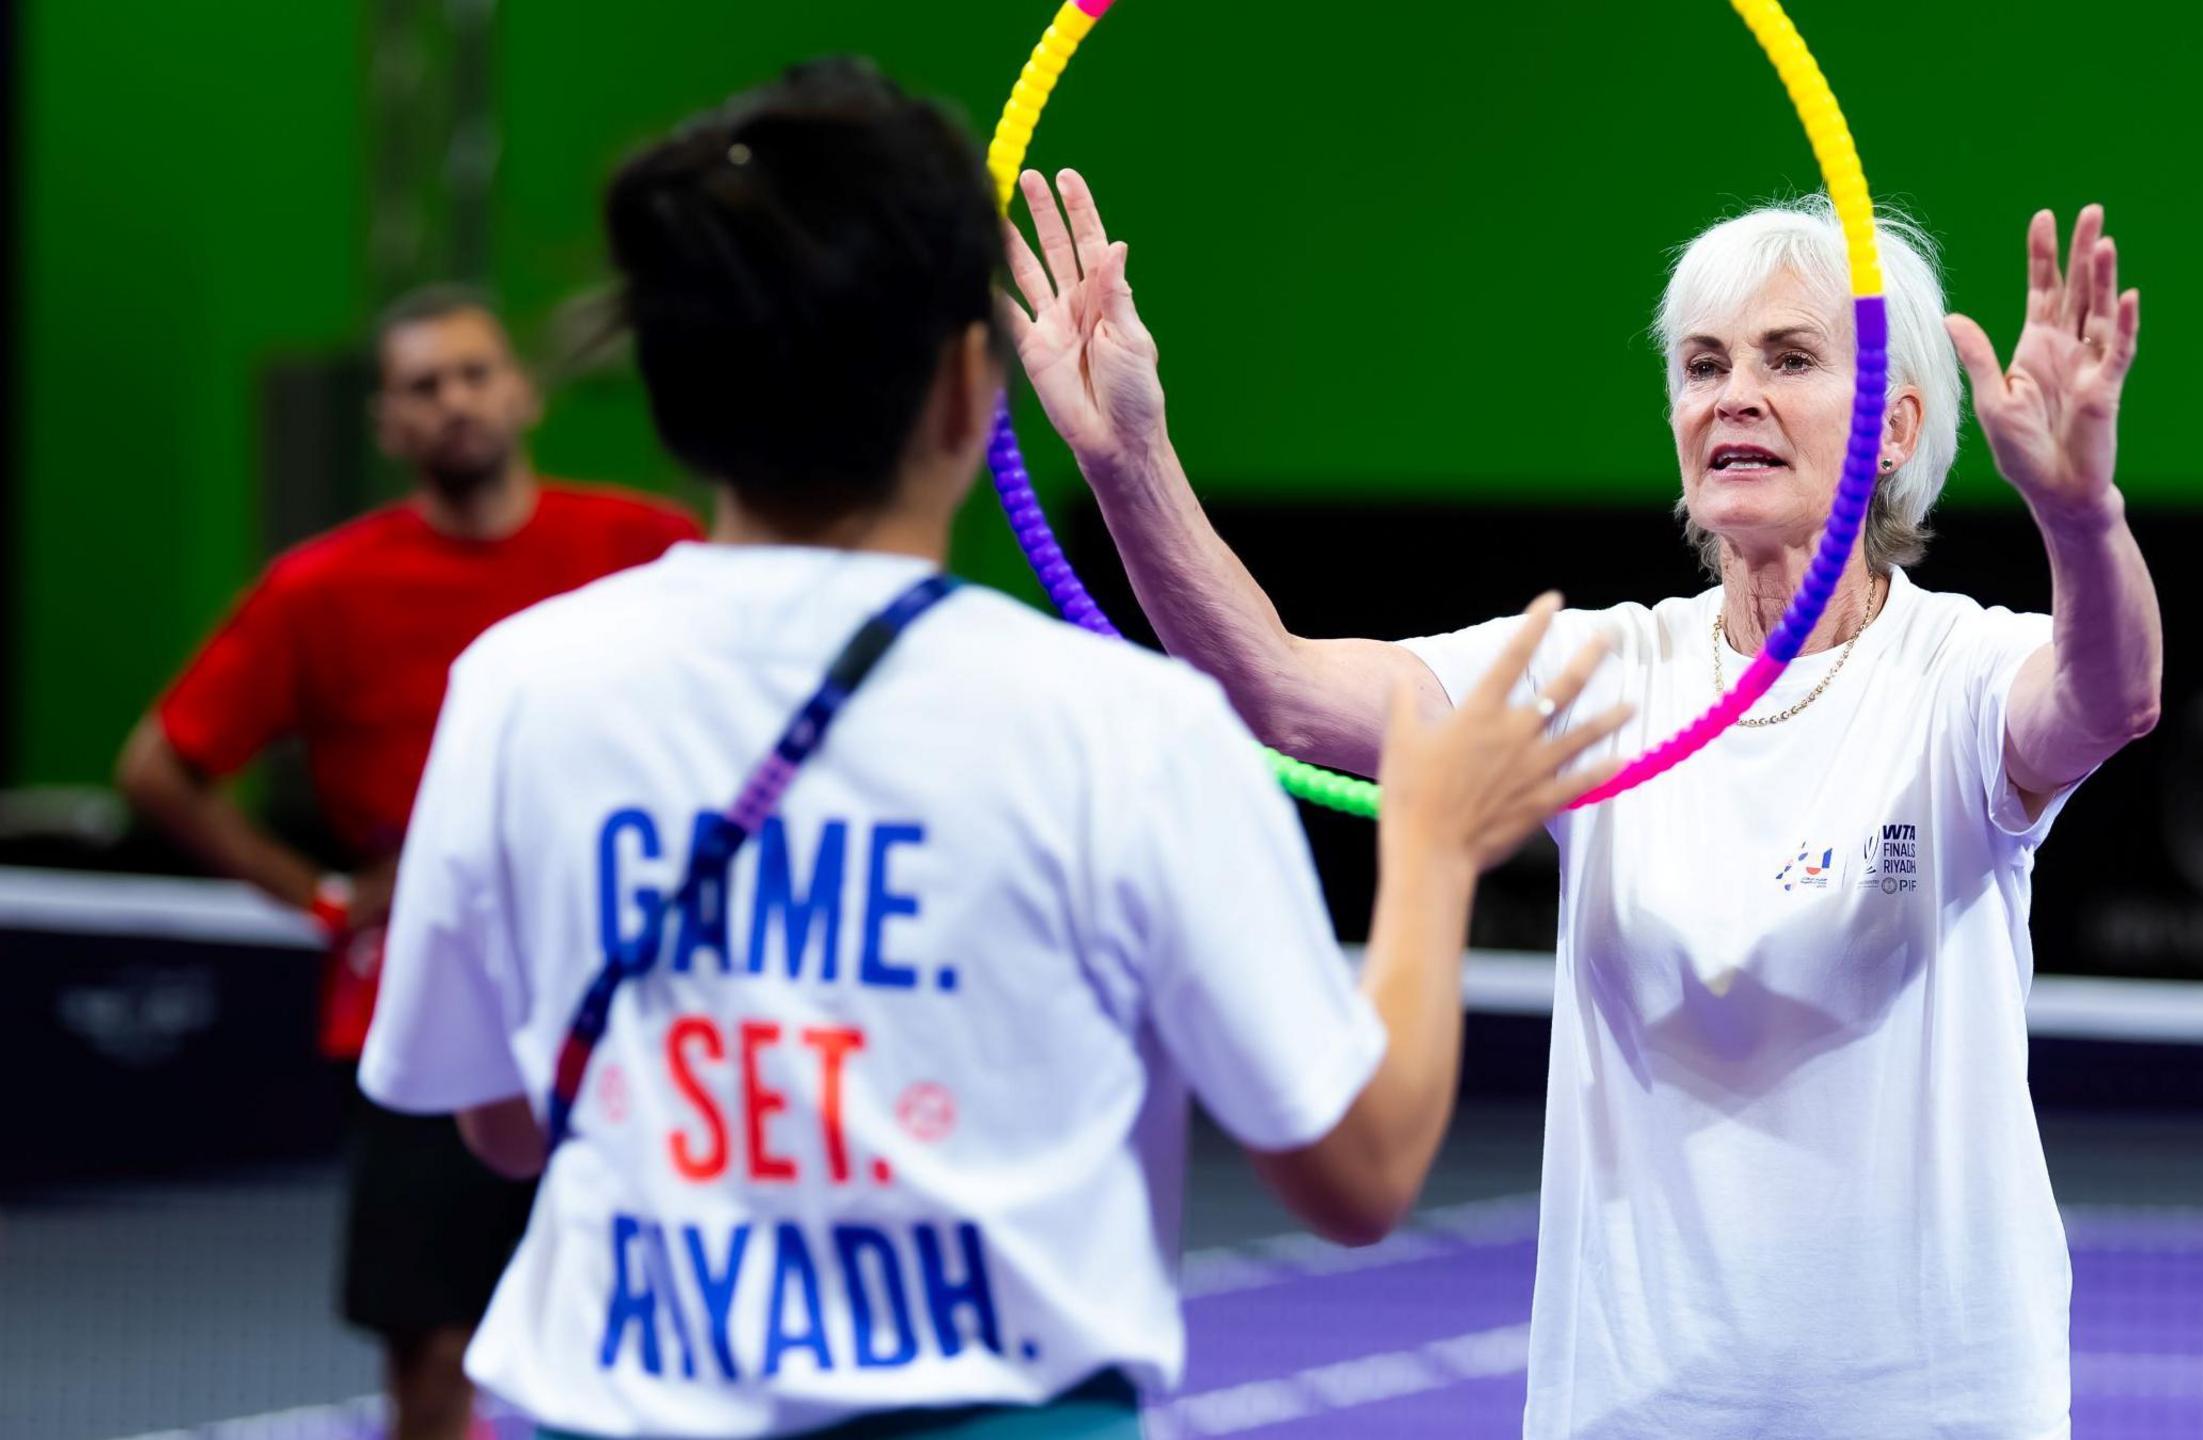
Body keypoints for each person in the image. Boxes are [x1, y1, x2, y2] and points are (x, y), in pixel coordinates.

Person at [354, 58, 1623, 1440]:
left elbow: (501, 1125)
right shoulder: (1118, 731)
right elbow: (1363, 1171)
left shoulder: (518, 692)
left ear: (676, 389)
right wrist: (1433, 853)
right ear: (970, 387)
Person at [1003, 166, 2165, 1437]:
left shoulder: (1956, 673)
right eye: (1703, 364)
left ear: (1893, 428)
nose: (1734, 396)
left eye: (1787, 358)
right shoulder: (1599, 677)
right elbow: (1277, 690)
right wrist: (1128, 459)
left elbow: (2107, 698)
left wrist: (2080, 516)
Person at [116, 285, 702, 1440]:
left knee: (663, 1322)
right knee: (433, 1349)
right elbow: (158, 766)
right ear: (387, 423)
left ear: (523, 393)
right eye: (423, 386)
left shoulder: (649, 546)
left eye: (476, 374)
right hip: (422, 1010)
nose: (455, 402)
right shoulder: (319, 590)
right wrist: (324, 898)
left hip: (635, 1002)